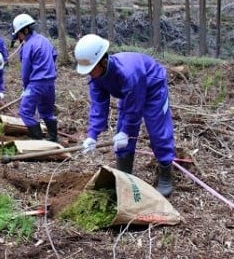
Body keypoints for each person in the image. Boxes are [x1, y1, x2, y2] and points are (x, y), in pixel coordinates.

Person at [75, 34, 175, 197]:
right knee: (122, 134)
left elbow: (134, 109)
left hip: (152, 87)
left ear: (103, 60)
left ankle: (165, 174)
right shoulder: (95, 78)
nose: (90, 73)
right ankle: (124, 175)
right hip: (129, 93)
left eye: (92, 69)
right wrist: (92, 135)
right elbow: (98, 106)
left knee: (157, 131)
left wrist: (126, 132)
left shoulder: (128, 73)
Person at [12, 13, 58, 142]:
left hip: (36, 83)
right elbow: (54, 54)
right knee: (46, 112)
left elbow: (26, 71)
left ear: (25, 30)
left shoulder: (28, 45)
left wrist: (26, 88)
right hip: (50, 82)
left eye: (19, 35)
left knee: (25, 112)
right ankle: (53, 138)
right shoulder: (44, 40)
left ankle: (37, 139)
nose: (19, 38)